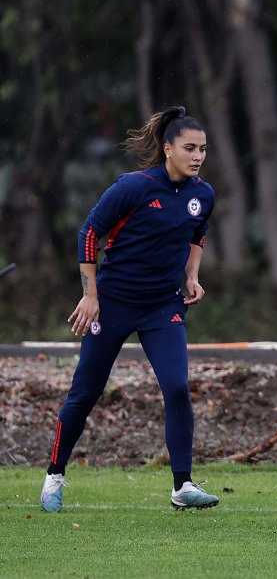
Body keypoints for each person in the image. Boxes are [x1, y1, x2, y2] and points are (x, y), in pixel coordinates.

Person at [40, 107, 219, 512]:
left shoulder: (202, 195)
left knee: (177, 388)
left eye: (203, 150)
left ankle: (182, 485)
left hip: (162, 308)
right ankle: (54, 474)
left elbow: (198, 235)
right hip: (113, 305)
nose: (198, 156)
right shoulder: (133, 187)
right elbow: (89, 232)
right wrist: (91, 295)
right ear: (168, 148)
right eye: (190, 148)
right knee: (85, 393)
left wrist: (192, 276)